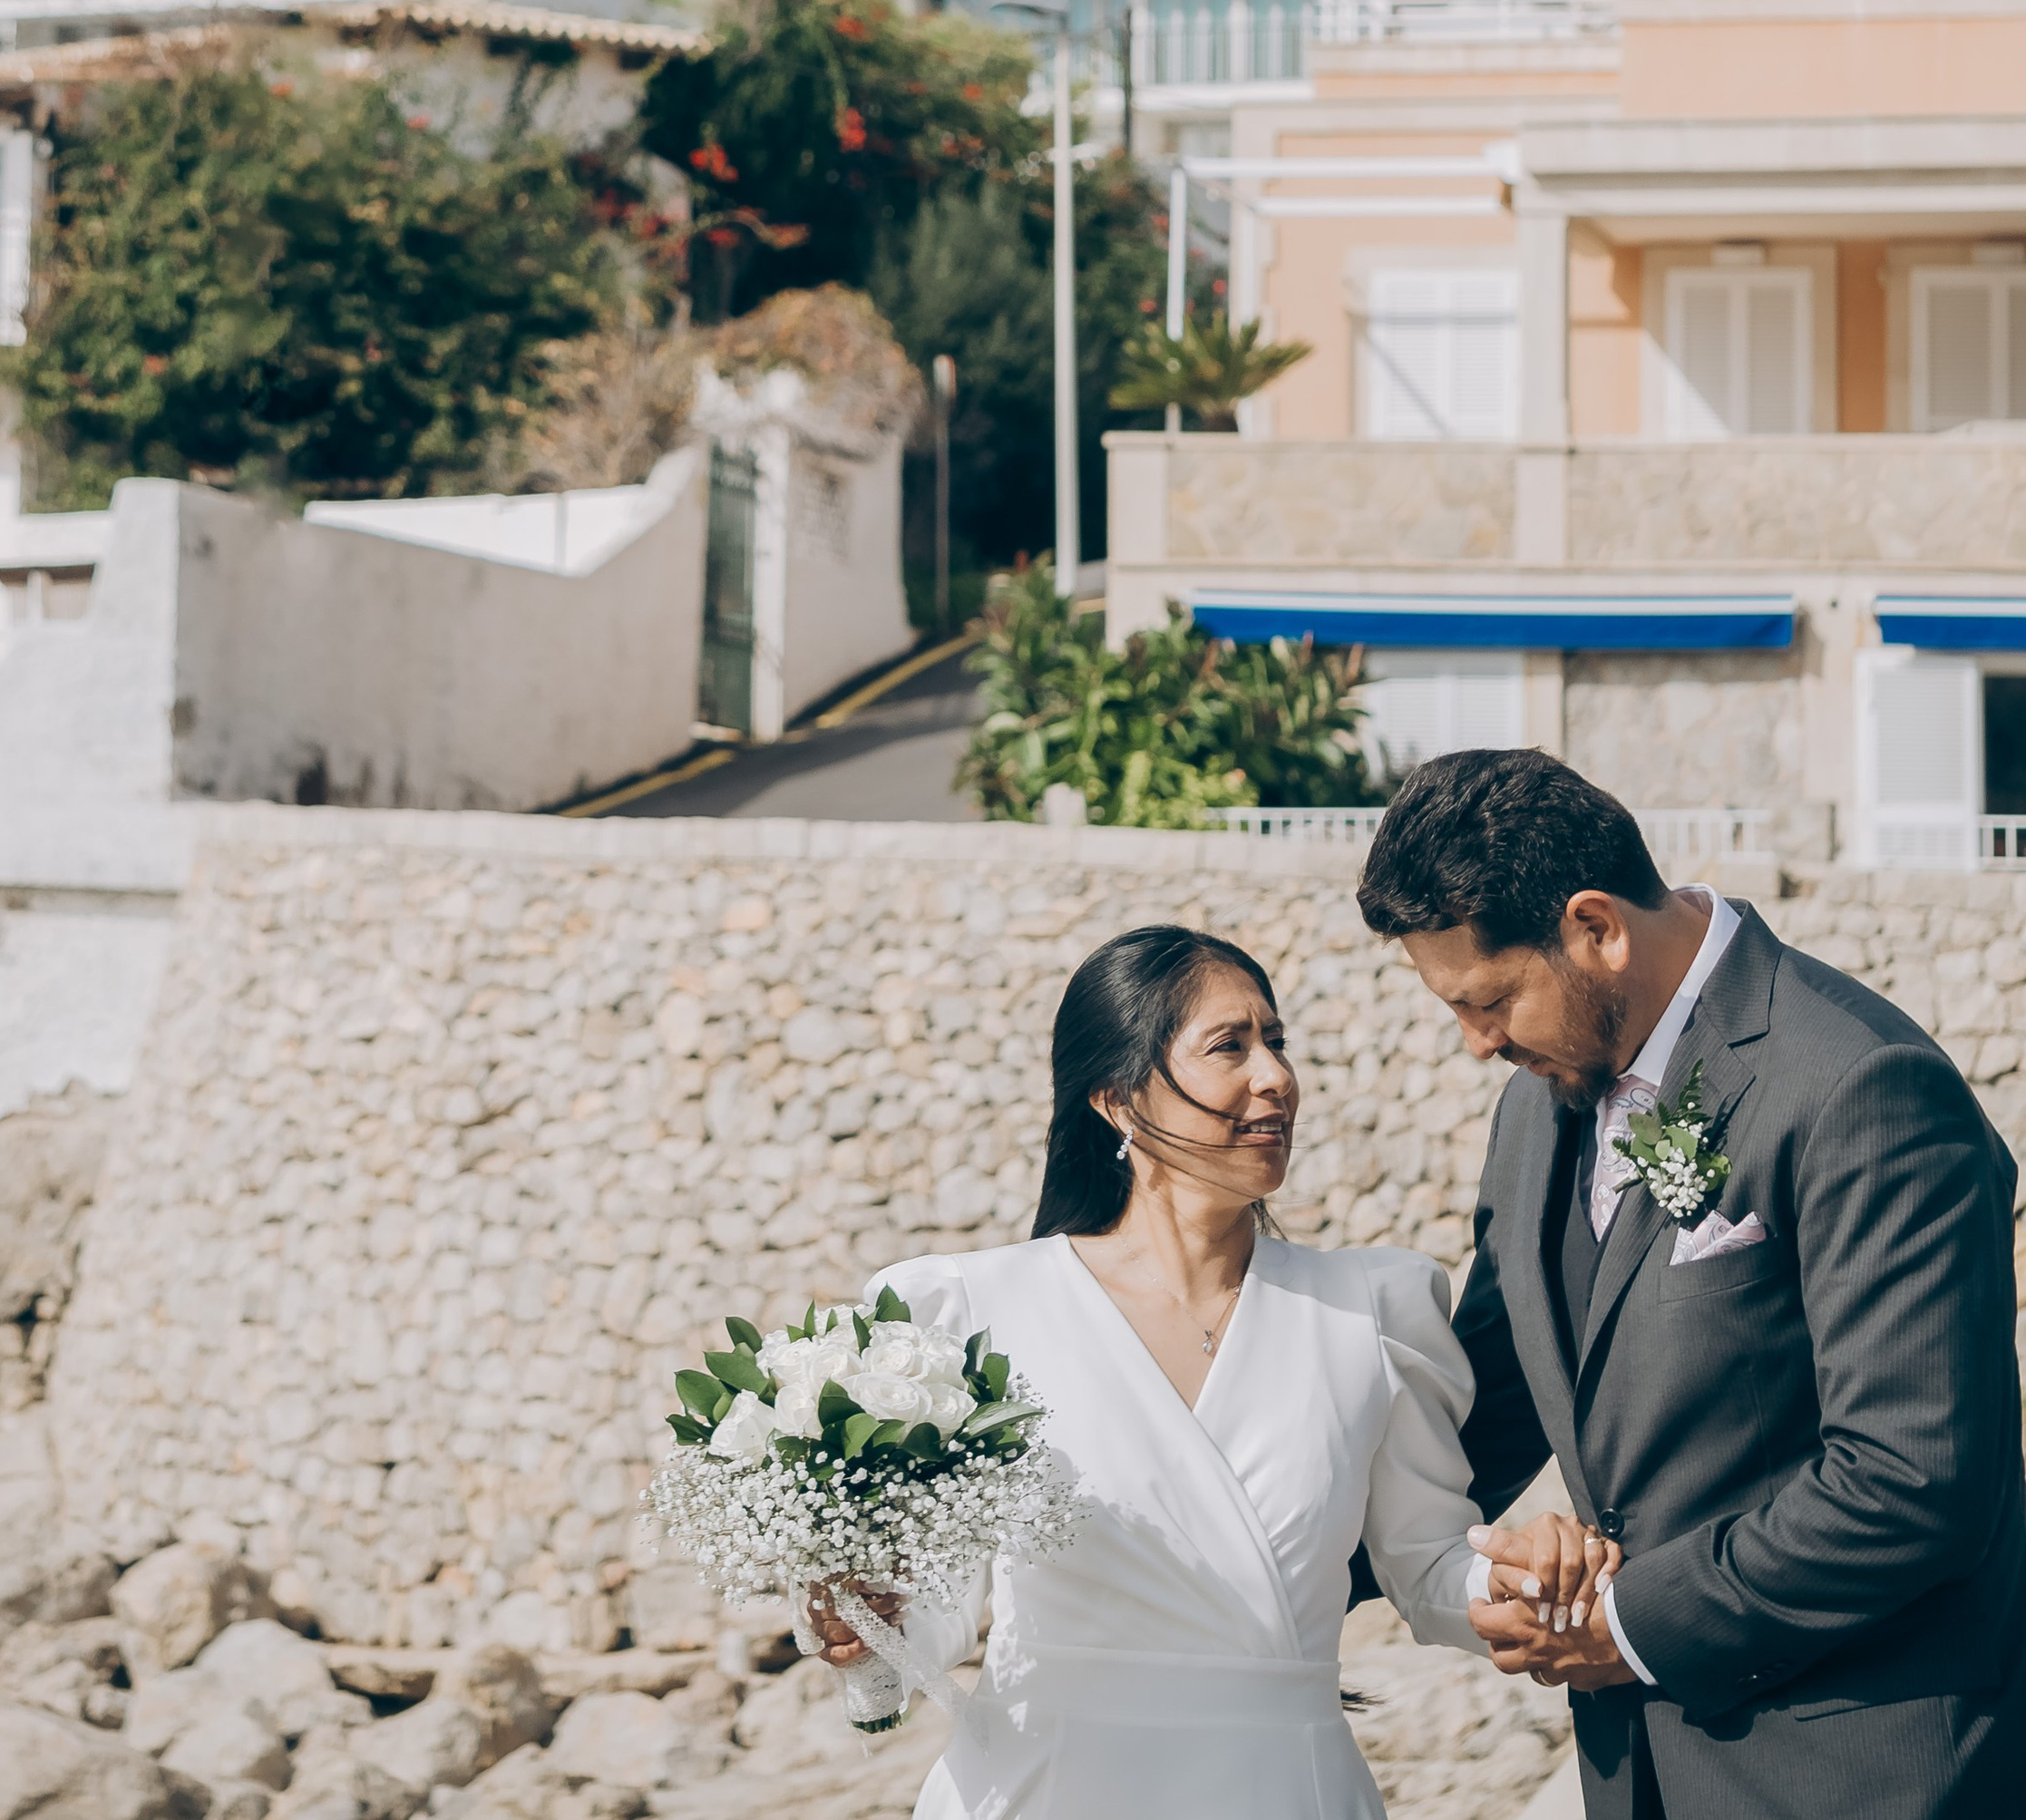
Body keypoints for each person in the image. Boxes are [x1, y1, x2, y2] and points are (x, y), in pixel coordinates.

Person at [1357, 747, 2026, 1820]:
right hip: (1645, 1774)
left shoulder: (1863, 1086)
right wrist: (1271, 1546)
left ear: (1595, 929)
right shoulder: (1539, 1100)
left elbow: (1912, 1479)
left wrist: (1625, 1623)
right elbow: (1501, 1394)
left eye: (1487, 1000)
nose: (1475, 1043)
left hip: (1865, 1774)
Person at [814, 920, 1609, 1818]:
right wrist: (865, 1623)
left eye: (1276, 1042)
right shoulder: (964, 1311)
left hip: (1287, 1788)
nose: (1274, 1075)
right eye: (1228, 1046)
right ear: (1116, 1100)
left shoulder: (1374, 1308)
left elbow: (1424, 1572)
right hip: (1043, 1788)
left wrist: (1523, 1586)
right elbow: (938, 1610)